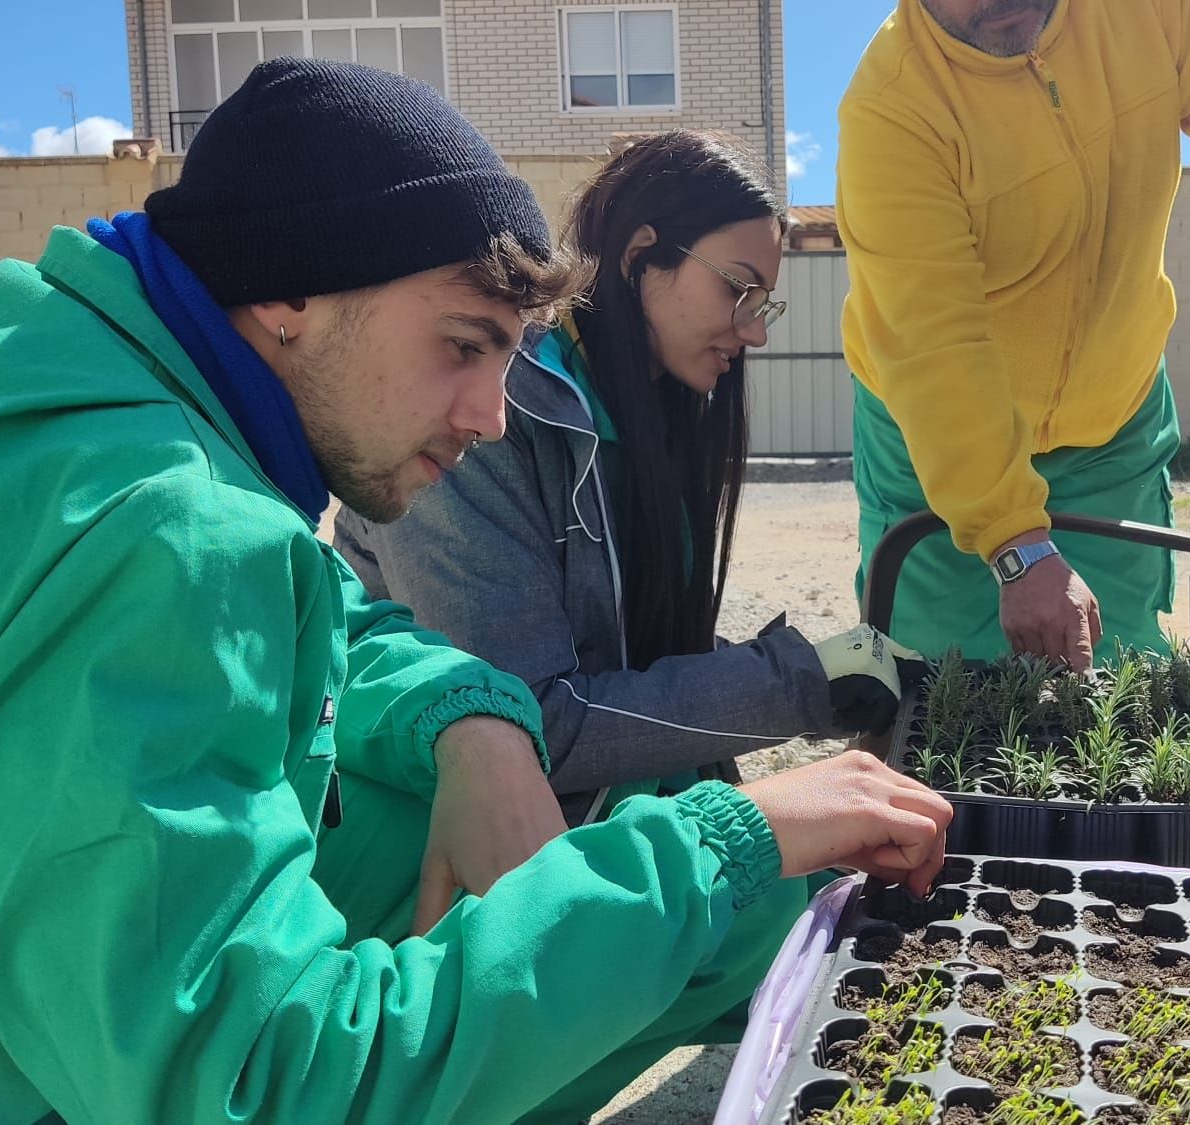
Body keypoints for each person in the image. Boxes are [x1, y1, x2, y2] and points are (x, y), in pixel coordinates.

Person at [0, 58, 949, 1124]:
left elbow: (311, 601)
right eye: (463, 345)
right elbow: (253, 1085)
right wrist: (722, 841)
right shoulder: (141, 533)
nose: (489, 416)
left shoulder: (65, 355)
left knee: (548, 859)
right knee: (721, 897)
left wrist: (466, 715)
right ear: (288, 293)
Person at [336, 130, 916, 831]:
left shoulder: (659, 416)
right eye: (738, 288)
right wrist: (796, 681)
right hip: (450, 846)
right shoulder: (491, 416)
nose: (756, 331)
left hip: (603, 816)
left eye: (764, 302)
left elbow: (639, 660)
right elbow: (534, 720)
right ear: (642, 257)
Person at [838, 0, 1190, 670]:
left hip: (1112, 426)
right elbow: (934, 344)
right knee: (938, 677)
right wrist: (1014, 541)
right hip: (929, 437)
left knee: (1116, 672)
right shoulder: (890, 107)